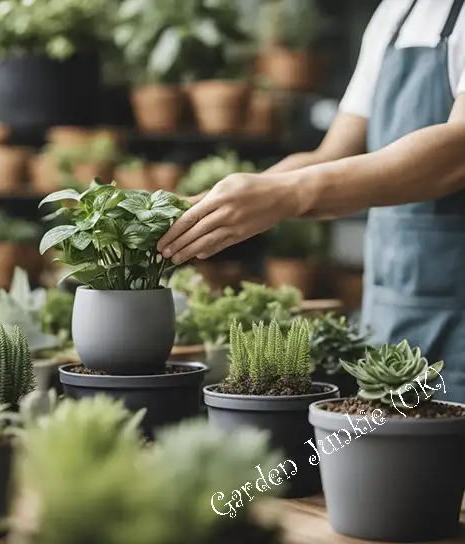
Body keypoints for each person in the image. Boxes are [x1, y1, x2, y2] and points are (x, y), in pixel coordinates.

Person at [157, 0, 465, 402]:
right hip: (392, 308)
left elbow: (456, 153)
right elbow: (333, 157)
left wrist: (288, 194)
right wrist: (213, 204)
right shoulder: (396, 13)